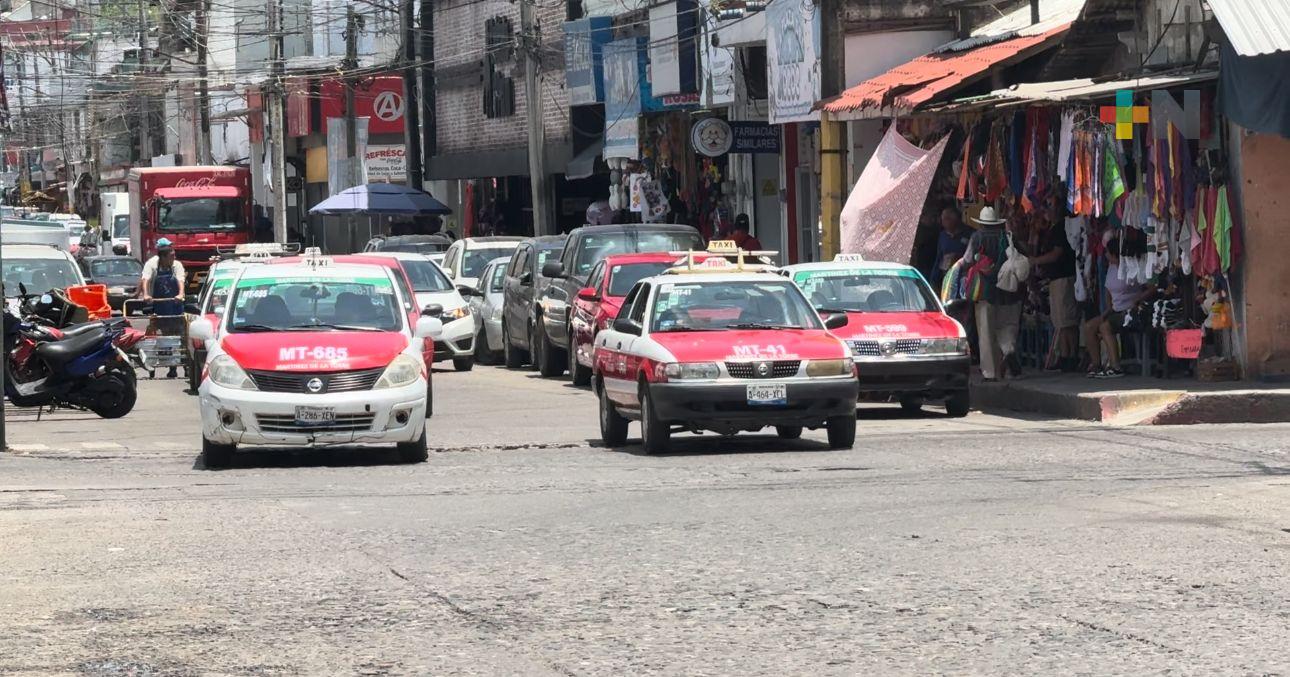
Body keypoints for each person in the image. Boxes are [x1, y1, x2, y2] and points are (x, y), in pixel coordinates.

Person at [962, 206, 1022, 381]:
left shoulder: (977, 237)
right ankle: (1008, 350)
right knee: (1007, 326)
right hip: (1009, 291)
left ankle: (990, 373)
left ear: (982, 223)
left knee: (986, 332)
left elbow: (967, 261)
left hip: (985, 292)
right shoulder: (1008, 237)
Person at [1082, 239, 1155, 378]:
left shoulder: (1133, 266)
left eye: (1108, 252)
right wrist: (1107, 310)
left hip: (1130, 311)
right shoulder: (1111, 267)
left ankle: (1115, 366)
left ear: (1115, 254)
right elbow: (1108, 291)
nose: (1106, 255)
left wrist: (1138, 299)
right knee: (1089, 327)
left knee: (1105, 327)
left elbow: (1152, 287)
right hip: (1115, 310)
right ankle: (1096, 365)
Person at [1032, 203, 1079, 372]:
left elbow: (1057, 253)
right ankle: (1064, 354)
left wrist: (1035, 261)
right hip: (1056, 278)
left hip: (1063, 277)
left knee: (1067, 320)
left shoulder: (1060, 228)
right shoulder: (1052, 229)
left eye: (1048, 209)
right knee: (1060, 320)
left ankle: (1070, 355)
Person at [139, 238, 186, 377]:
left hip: (175, 306)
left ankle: (176, 366)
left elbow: (180, 280)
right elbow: (145, 279)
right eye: (171, 256)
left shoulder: (177, 265)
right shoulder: (151, 264)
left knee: (177, 336)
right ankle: (154, 365)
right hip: (159, 306)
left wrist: (180, 294)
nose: (174, 258)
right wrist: (146, 294)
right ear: (163, 256)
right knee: (157, 337)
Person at [931, 206, 970, 289]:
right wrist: (933, 280)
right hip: (947, 276)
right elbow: (939, 257)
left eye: (947, 219)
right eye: (943, 219)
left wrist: (958, 257)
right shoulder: (943, 236)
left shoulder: (969, 234)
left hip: (964, 277)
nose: (943, 222)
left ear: (956, 219)